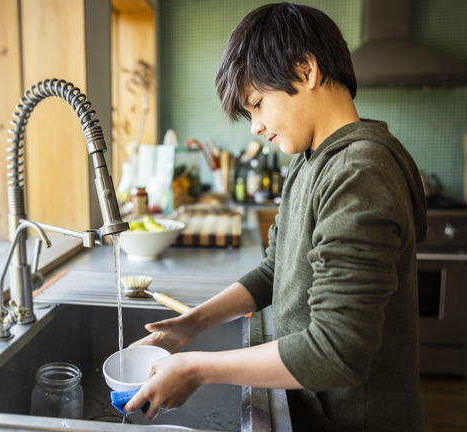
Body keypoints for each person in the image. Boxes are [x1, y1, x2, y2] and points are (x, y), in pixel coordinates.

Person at [123, 3, 428, 431]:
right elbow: (276, 269)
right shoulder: (308, 161)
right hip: (314, 409)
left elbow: (337, 350)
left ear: (306, 71)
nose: (255, 127)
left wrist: (196, 368)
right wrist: (192, 324)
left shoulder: (360, 172)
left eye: (258, 104)